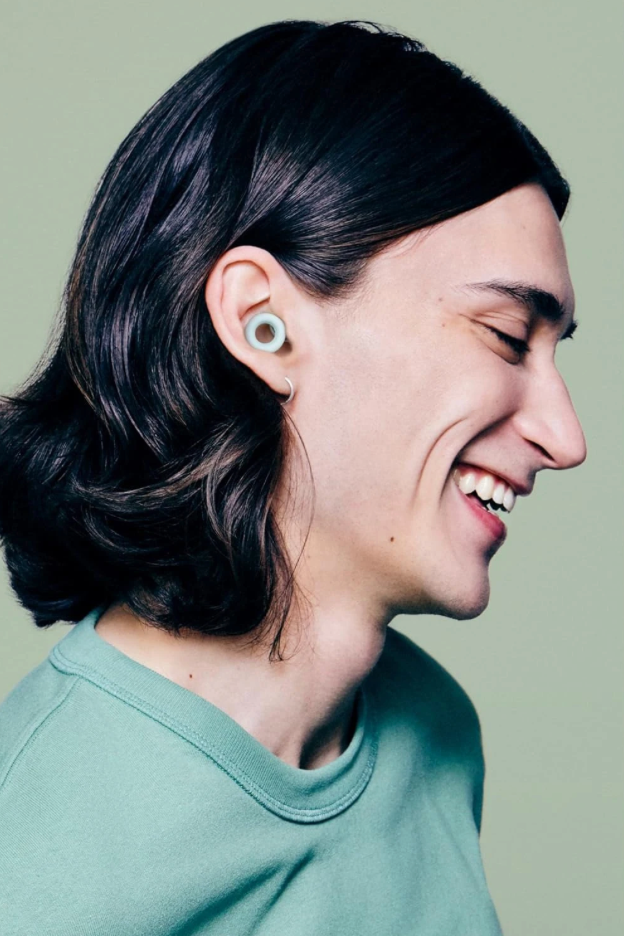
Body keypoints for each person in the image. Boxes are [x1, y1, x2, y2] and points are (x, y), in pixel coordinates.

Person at [0, 18, 586, 936]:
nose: (566, 437)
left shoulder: (438, 734)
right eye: (508, 335)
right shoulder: (34, 859)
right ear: (261, 323)